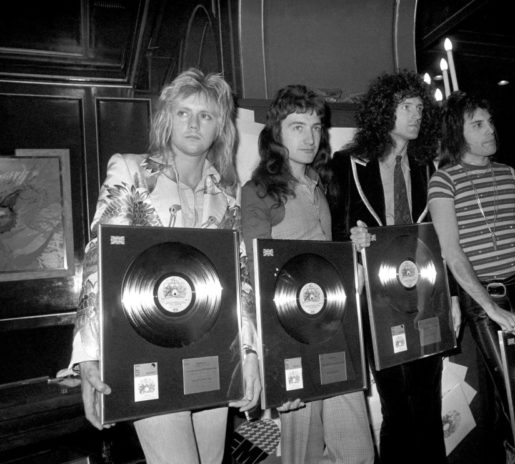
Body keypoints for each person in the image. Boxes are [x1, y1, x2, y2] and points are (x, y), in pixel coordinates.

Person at [70, 68, 261, 464]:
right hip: (143, 350)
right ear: (166, 119)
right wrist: (88, 356)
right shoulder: (131, 170)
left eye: (206, 116)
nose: (194, 123)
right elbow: (98, 262)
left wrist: (250, 353)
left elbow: (237, 281)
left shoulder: (227, 194)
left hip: (210, 351)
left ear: (220, 127)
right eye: (183, 113)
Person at [241, 85, 375, 464]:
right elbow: (255, 273)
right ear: (276, 131)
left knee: (359, 454)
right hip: (290, 340)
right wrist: (275, 366)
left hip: (335, 331)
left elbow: (323, 266)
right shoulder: (259, 190)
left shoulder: (321, 185)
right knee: (303, 456)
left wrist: (354, 246)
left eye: (315, 127)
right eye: (297, 126)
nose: (309, 137)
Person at [427, 90, 515, 459]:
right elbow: (452, 254)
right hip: (484, 296)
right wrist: (490, 308)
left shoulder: (509, 174)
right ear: (458, 132)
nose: (490, 130)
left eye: (491, 122)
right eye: (478, 124)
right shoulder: (444, 181)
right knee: (513, 389)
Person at [327, 70, 450, 464]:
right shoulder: (348, 164)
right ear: (384, 110)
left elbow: (443, 242)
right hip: (376, 303)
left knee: (429, 403)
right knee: (399, 404)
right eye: (405, 106)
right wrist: (352, 239)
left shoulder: (428, 169)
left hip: (424, 298)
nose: (415, 114)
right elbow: (333, 236)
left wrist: (454, 300)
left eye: (419, 107)